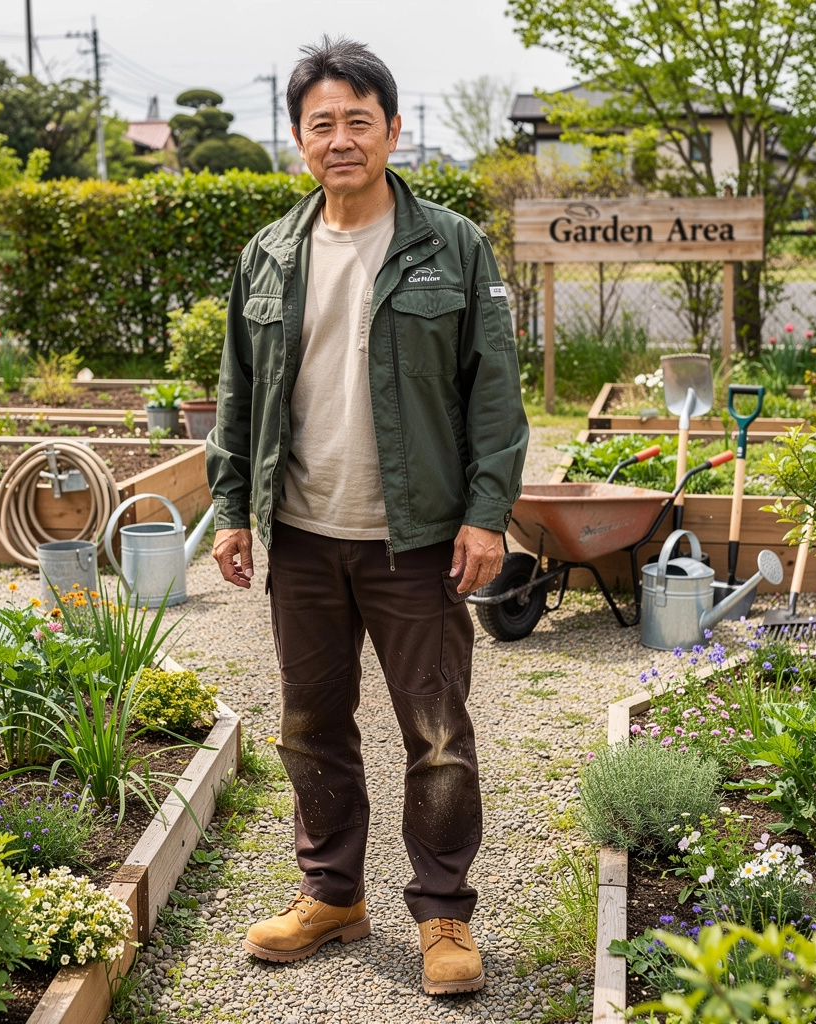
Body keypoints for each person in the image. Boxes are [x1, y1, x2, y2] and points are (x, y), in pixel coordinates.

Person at [205, 35, 528, 996]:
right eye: (321, 124)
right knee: (310, 725)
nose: (340, 139)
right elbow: (236, 392)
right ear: (298, 138)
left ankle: (443, 916)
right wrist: (230, 508)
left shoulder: (452, 245)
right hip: (302, 535)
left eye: (358, 120)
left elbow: (495, 394)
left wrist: (486, 514)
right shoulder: (270, 252)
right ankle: (333, 896)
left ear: (391, 129)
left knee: (435, 732)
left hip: (418, 538)